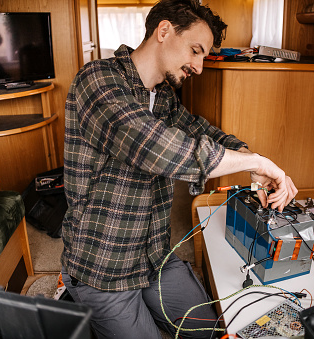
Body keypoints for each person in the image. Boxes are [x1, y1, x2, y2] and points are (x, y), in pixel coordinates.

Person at [60, 0, 297, 338]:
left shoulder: (164, 96)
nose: (199, 67)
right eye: (195, 50)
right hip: (103, 269)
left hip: (154, 254)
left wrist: (249, 156)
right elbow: (160, 148)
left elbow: (202, 131)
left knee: (210, 332)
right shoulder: (97, 80)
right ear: (164, 30)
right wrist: (257, 163)